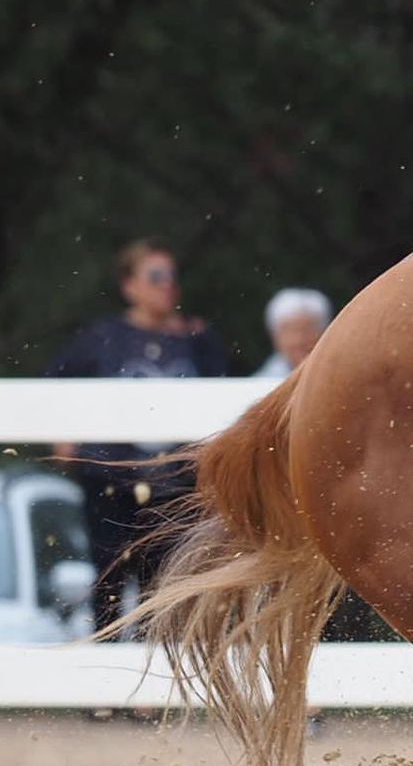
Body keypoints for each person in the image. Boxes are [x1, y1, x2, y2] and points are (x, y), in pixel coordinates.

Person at [47, 238, 229, 630]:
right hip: (110, 476)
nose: (168, 286)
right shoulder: (102, 337)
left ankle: (156, 683)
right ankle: (105, 683)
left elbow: (224, 395)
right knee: (108, 577)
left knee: (165, 584)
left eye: (172, 277)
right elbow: (55, 380)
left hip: (175, 484)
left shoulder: (197, 340)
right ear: (129, 285)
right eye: (156, 276)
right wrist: (62, 434)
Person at [254, 287, 332, 377]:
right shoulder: (258, 384)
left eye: (306, 330)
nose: (298, 340)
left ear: (324, 333)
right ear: (275, 337)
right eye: (290, 332)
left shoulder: (340, 376)